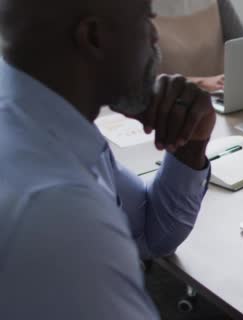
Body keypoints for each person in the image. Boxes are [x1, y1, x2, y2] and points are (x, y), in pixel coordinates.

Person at [0, 0, 215, 318]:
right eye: (147, 21)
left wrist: (190, 145)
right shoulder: (59, 212)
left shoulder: (46, 119)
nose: (156, 38)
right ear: (95, 37)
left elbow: (149, 235)